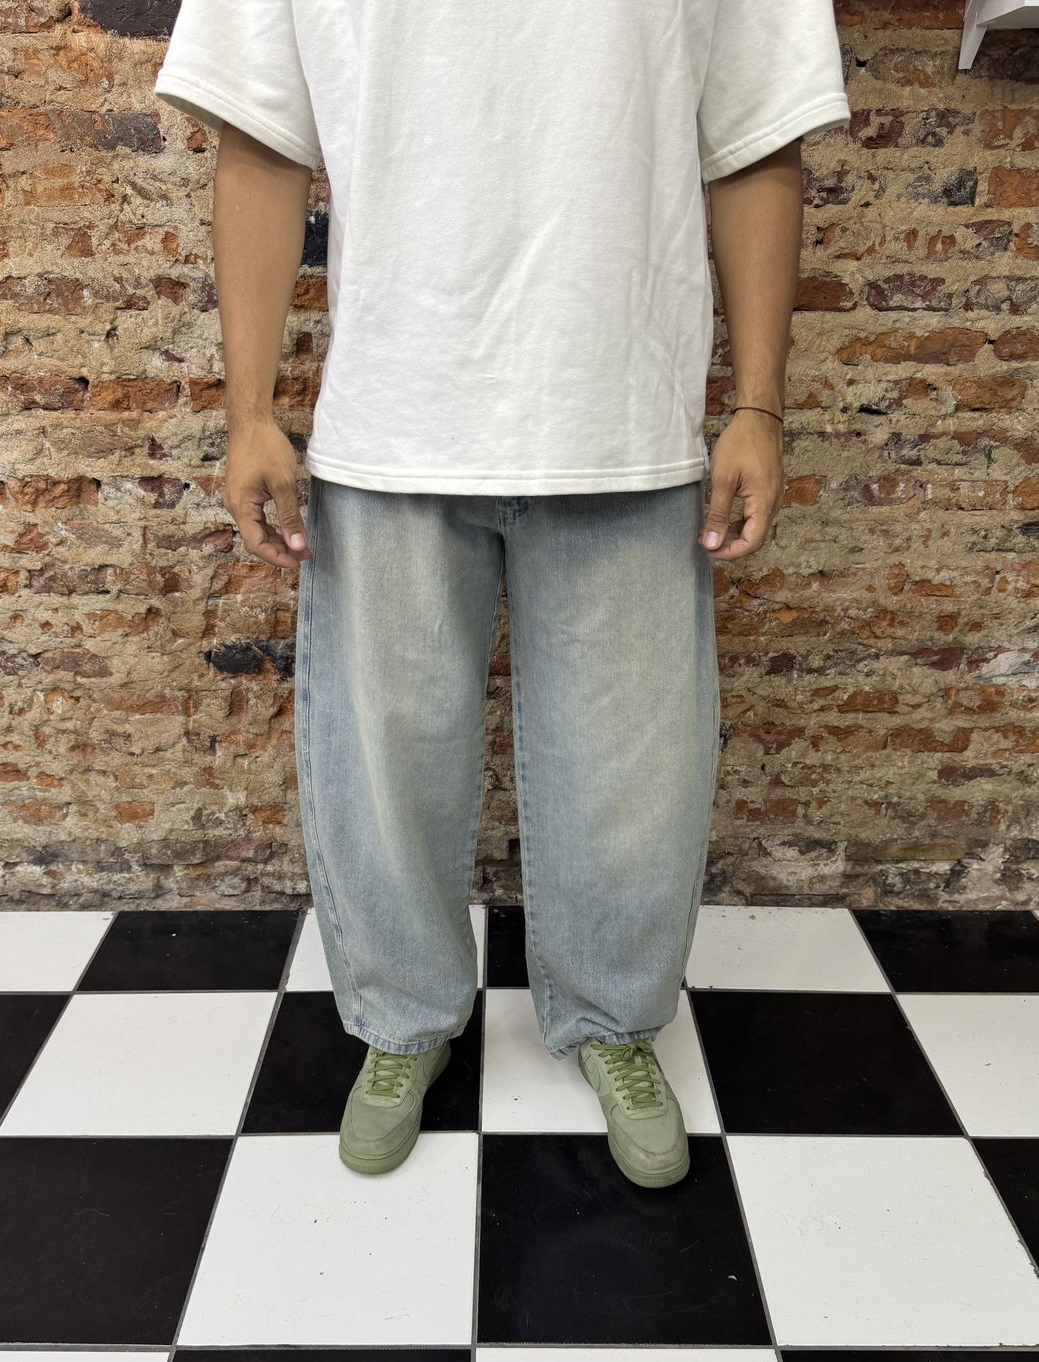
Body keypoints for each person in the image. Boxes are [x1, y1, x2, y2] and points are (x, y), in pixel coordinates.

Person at [154, 0, 851, 1188]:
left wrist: (759, 405)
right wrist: (251, 410)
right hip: (397, 408)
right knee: (384, 757)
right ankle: (402, 1019)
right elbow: (261, 138)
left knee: (634, 767)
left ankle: (614, 1018)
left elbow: (755, 136)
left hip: (621, 410)